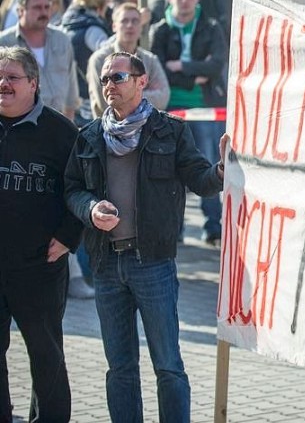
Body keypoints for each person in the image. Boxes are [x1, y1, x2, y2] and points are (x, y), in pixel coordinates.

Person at [64, 51, 226, 422]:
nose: (109, 85)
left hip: (152, 262)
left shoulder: (170, 130)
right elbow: (71, 189)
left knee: (168, 365)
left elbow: (199, 179)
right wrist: (90, 209)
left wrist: (220, 170)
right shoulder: (89, 135)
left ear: (142, 82)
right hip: (106, 265)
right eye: (105, 78)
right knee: (119, 368)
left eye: (118, 77)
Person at [0, 46, 82, 423]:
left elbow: (85, 189)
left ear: (33, 83)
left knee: (45, 354)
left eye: (12, 77)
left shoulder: (61, 133)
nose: (3, 84)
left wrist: (68, 237)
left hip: (39, 266)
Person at [149, 0, 227, 244]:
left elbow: (216, 65)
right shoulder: (159, 30)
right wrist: (196, 71)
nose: (183, 1)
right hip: (172, 107)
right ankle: (176, 230)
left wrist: (181, 67)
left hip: (205, 107)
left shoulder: (211, 27)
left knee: (208, 167)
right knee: (171, 170)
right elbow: (158, 70)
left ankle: (213, 228)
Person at [0, 0, 80, 120]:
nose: (43, 12)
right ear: (20, 11)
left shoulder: (62, 40)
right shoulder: (4, 43)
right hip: (20, 125)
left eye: (47, 7)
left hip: (58, 123)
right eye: (37, 8)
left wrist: (69, 127)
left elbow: (71, 88)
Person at [88, 3, 170, 117]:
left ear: (141, 27)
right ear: (114, 26)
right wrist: (139, 93)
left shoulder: (150, 60)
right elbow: (104, 103)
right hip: (109, 130)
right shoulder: (100, 60)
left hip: (145, 128)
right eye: (124, 21)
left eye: (135, 21)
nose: (130, 25)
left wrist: (123, 95)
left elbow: (163, 97)